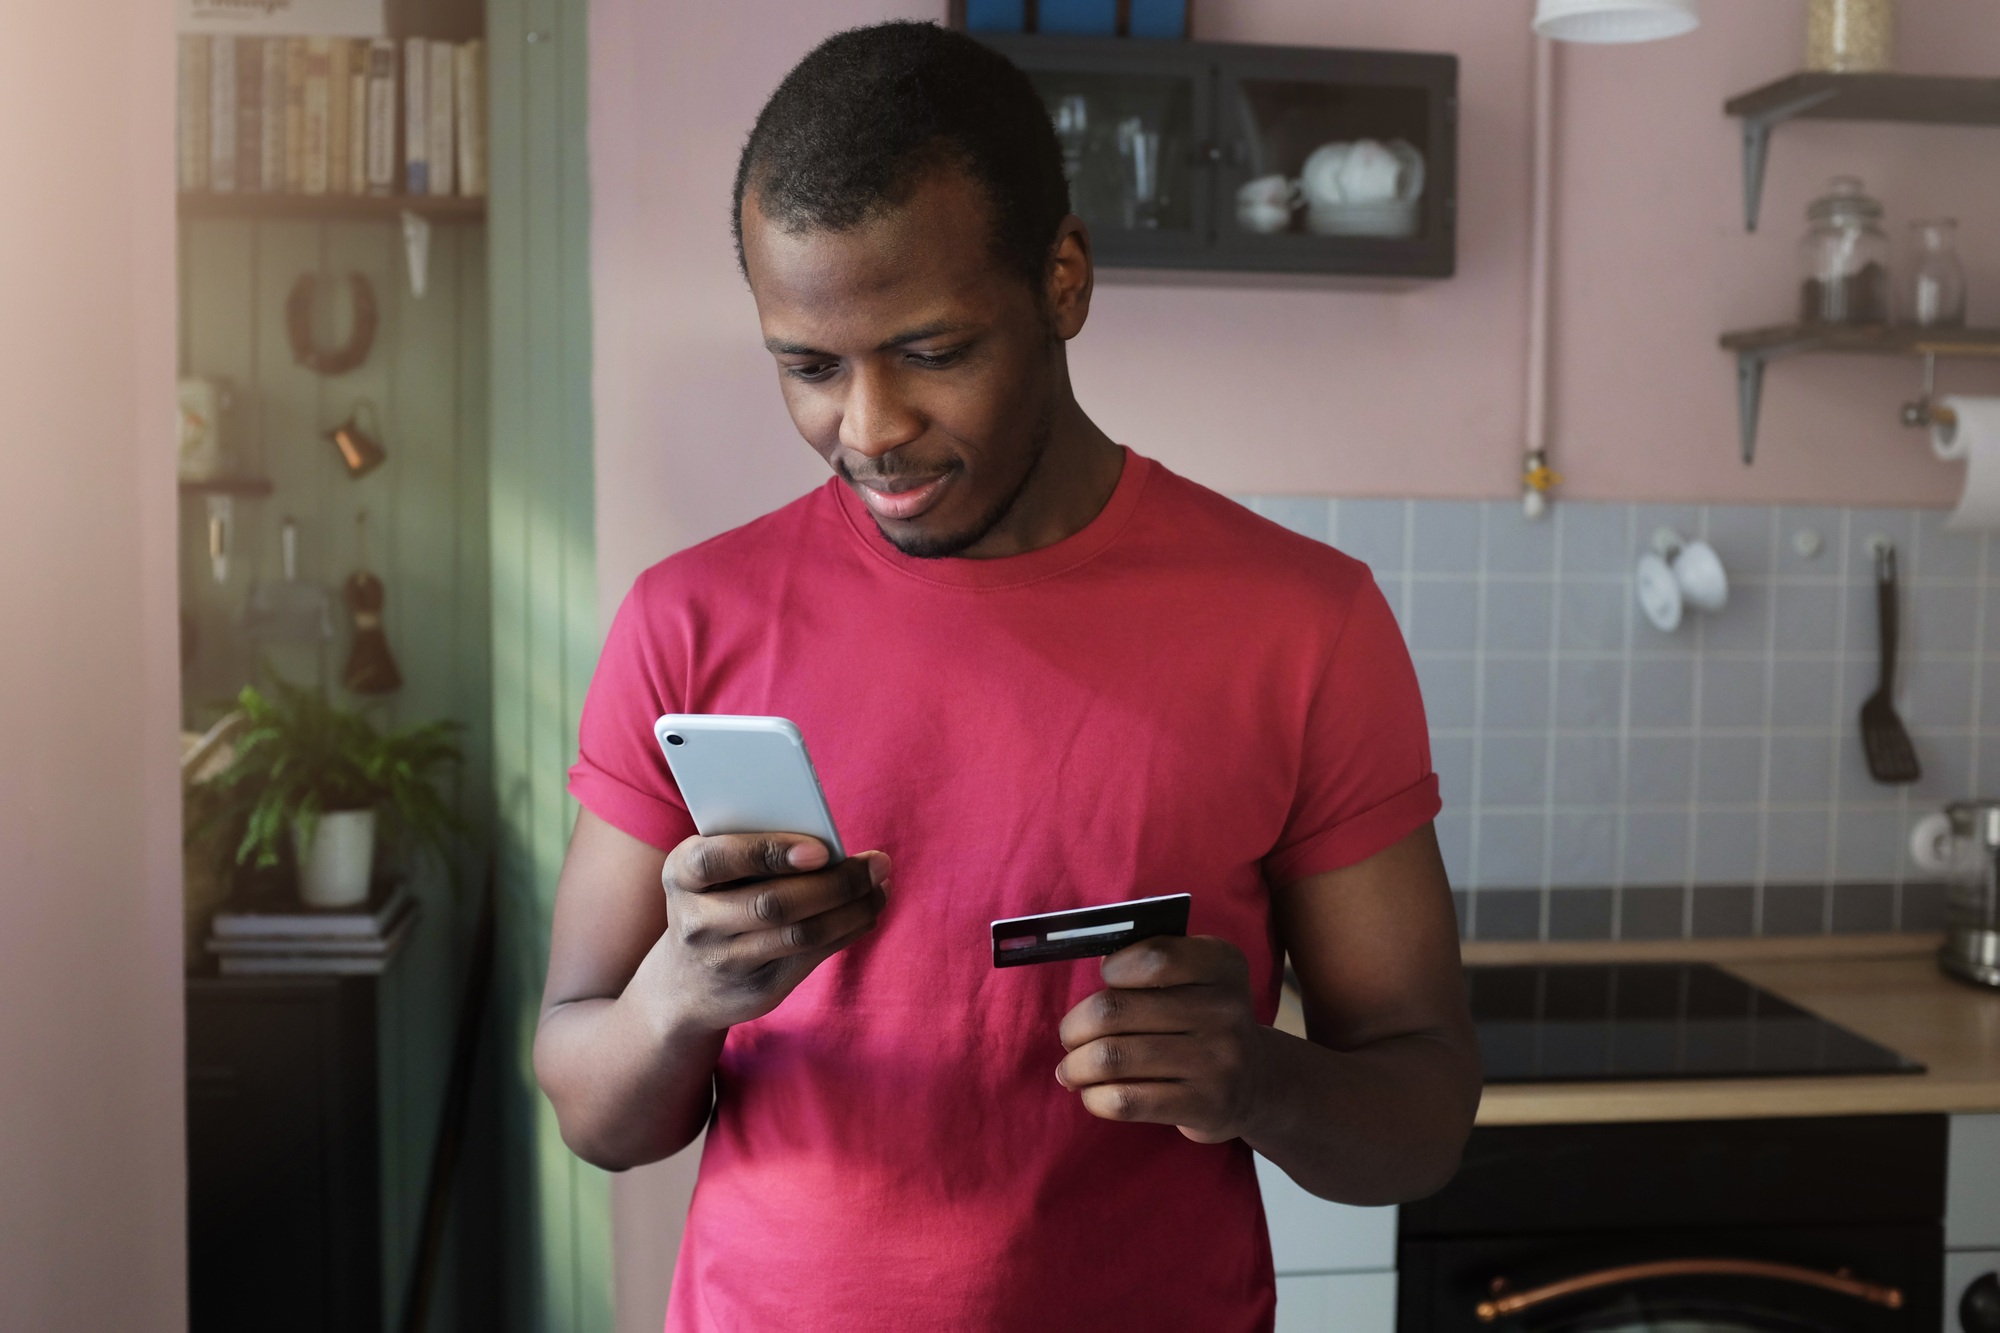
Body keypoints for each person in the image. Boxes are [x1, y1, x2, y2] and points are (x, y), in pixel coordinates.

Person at [534, 20, 1479, 1332]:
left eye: (931, 350)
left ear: (1065, 282)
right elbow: (591, 1100)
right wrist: (681, 997)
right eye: (810, 368)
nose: (869, 430)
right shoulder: (686, 620)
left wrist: (1261, 1080)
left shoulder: (1302, 625)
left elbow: (1423, 1118)